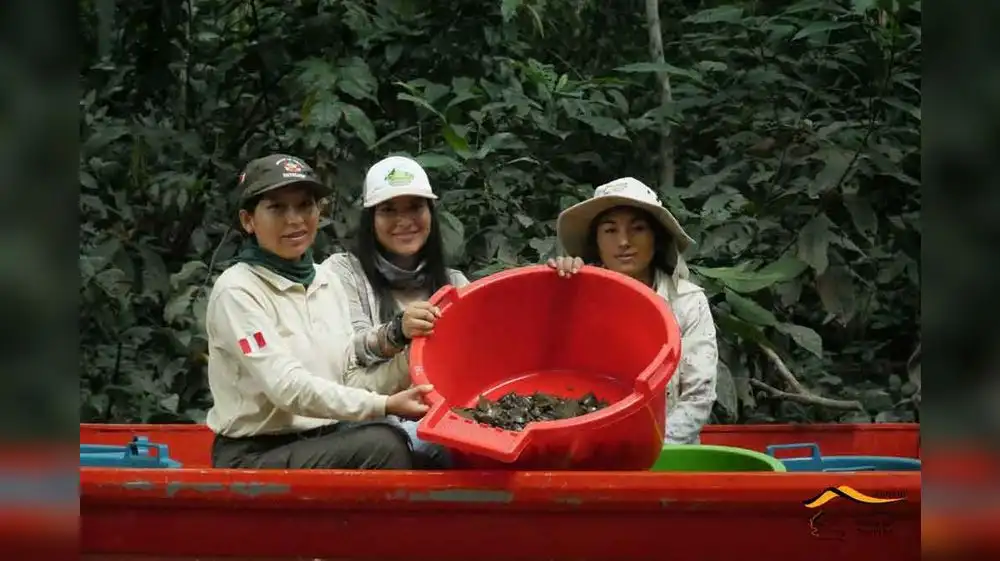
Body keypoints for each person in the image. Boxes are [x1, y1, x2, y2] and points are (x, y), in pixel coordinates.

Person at [204, 153, 434, 470]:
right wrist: (383, 405)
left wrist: (413, 359)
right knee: (385, 445)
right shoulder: (237, 290)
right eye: (277, 208)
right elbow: (287, 388)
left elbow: (348, 381)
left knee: (429, 448)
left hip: (323, 439)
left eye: (304, 206)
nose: (294, 219)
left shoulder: (325, 281)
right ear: (248, 221)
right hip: (255, 455)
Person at [548, 177, 719, 445]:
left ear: (656, 237)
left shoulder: (688, 302)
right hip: (589, 451)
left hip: (670, 453)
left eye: (637, 228)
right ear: (596, 241)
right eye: (610, 230)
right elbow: (553, 376)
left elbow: (698, 397)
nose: (624, 241)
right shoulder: (579, 293)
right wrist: (560, 287)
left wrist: (654, 451)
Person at [324, 155, 469, 469]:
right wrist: (399, 333)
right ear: (370, 218)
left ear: (430, 213)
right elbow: (345, 375)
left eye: (415, 207)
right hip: (365, 428)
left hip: (442, 422)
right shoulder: (341, 273)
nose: (404, 221)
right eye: (389, 209)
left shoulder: (454, 284)